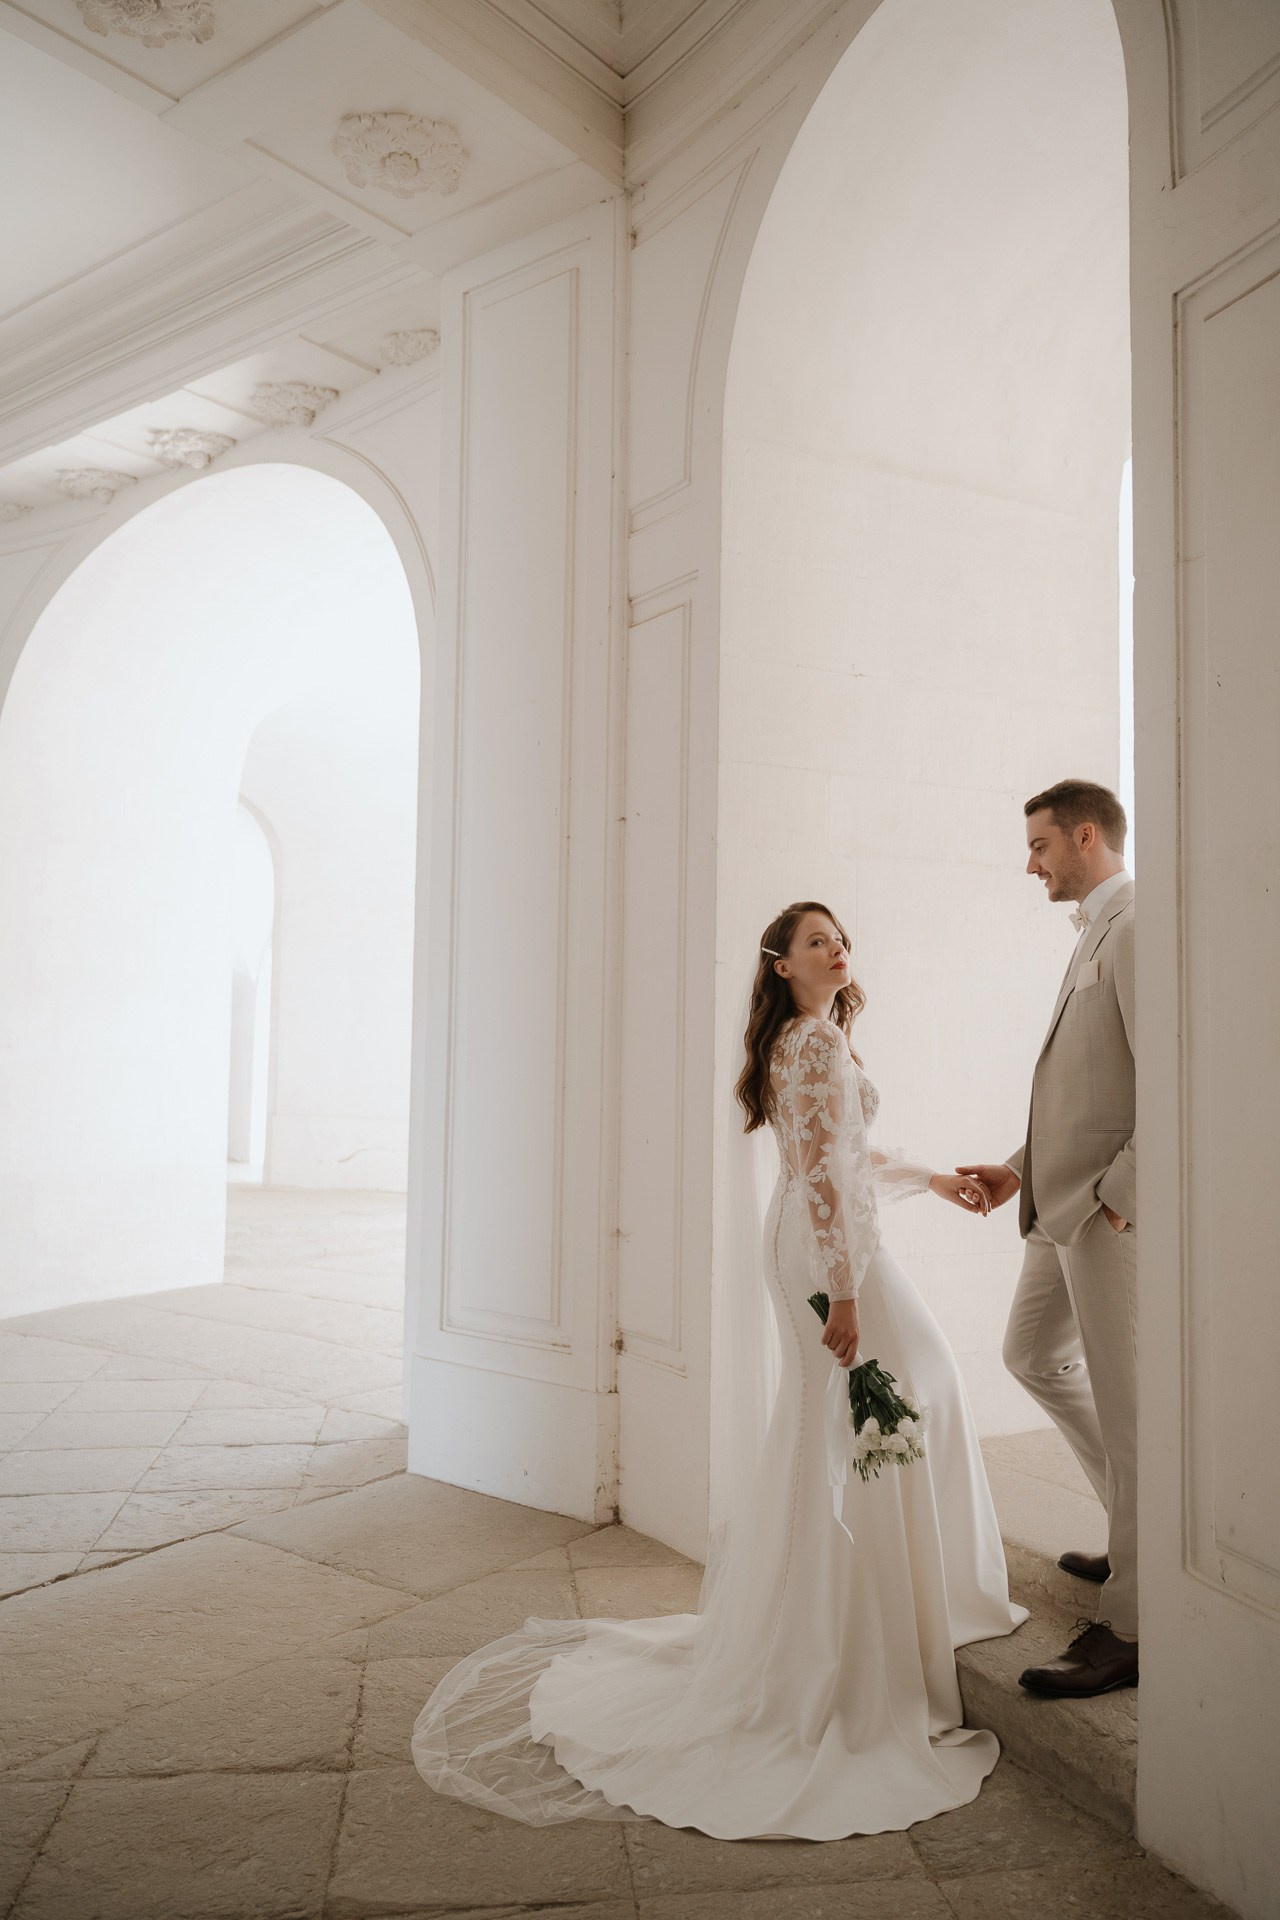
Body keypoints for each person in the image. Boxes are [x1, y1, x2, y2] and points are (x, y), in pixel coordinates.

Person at [411, 899, 1026, 1838]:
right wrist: (848, 1289)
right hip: (829, 1257)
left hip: (819, 1245)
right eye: (818, 941)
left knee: (867, 1414)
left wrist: (936, 1180)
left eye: (842, 938)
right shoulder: (811, 1046)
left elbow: (851, 1157)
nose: (838, 949)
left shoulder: (813, 1039)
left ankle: (878, 1605)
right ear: (782, 964)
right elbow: (824, 1175)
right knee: (886, 1403)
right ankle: (848, 1632)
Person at [958, 779, 1138, 1698]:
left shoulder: (1140, 924)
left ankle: (1135, 1625)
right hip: (1052, 1200)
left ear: (1084, 836)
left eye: (1039, 846)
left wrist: (1120, 1194)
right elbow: (1083, 1087)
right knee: (1030, 1353)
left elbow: (1168, 1078)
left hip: (1105, 1214)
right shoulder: (1089, 936)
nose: (1030, 864)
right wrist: (1017, 1168)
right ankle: (1133, 1529)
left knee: (1135, 1409)